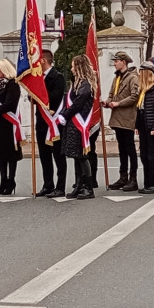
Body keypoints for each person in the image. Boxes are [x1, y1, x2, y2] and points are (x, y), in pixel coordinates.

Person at [61, 55, 98, 200]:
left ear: (79, 67)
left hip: (79, 123)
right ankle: (78, 185)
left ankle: (88, 187)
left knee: (82, 156)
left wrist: (65, 114)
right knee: (76, 156)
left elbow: (78, 103)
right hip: (73, 123)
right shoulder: (77, 83)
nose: (71, 68)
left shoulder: (86, 85)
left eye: (73, 66)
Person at [0, 58, 23, 196]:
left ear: (5, 69)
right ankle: (3, 181)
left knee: (10, 155)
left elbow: (9, 105)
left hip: (9, 125)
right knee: (1, 155)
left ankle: (11, 181)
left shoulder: (13, 84)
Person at [104, 51, 140, 191]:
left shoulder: (133, 77)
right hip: (117, 118)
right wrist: (107, 102)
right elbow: (112, 95)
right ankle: (123, 177)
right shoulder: (117, 78)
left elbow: (135, 95)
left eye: (116, 61)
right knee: (122, 149)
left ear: (124, 62)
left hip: (127, 117)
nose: (114, 63)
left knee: (130, 148)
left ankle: (133, 178)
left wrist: (118, 104)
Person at [36, 50, 68, 199]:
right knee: (44, 155)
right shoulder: (37, 78)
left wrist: (40, 94)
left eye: (38, 60)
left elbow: (56, 96)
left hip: (54, 122)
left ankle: (60, 186)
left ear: (44, 60)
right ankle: (47, 184)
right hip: (41, 122)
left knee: (58, 156)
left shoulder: (58, 77)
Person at [135, 61, 154, 194]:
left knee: (153, 156)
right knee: (144, 155)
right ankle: (148, 182)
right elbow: (139, 109)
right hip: (143, 124)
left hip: (152, 125)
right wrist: (137, 125)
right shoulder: (144, 89)